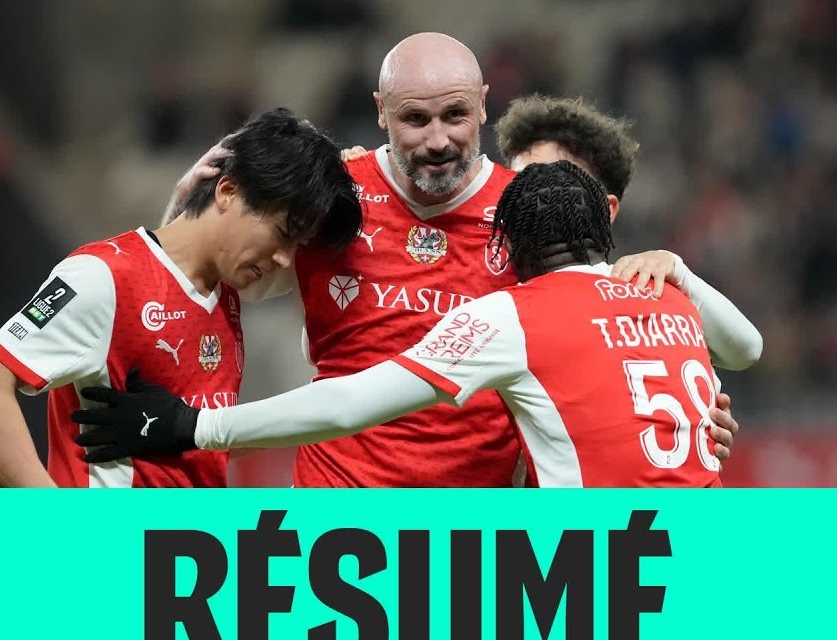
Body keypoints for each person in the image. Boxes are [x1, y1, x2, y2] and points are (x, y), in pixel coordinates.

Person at [159, 33, 741, 487]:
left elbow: (600, 352)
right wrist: (182, 221)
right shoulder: (334, 197)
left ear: (484, 106)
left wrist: (684, 420)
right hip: (336, 515)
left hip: (474, 531)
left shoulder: (529, 217)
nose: (437, 140)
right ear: (381, 111)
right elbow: (207, 289)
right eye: (415, 119)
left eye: (454, 116)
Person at [72, 161, 763, 487]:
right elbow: (748, 347)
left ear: (508, 248)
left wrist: (194, 426)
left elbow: (351, 401)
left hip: (609, 579)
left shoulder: (511, 314)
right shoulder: (666, 293)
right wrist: (680, 267)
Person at [0, 107, 361, 487]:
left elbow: (195, 436)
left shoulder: (224, 290)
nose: (284, 259)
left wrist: (364, 176)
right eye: (283, 234)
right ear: (228, 191)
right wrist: (51, 512)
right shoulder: (102, 276)